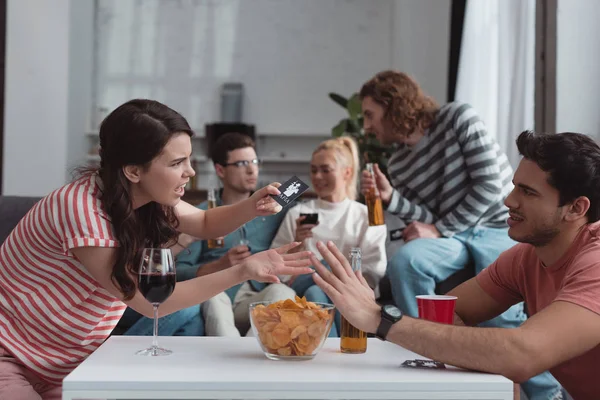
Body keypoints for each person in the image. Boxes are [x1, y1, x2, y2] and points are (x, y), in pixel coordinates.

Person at [0, 99, 312, 399]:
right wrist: (242, 270)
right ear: (133, 171)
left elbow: (204, 222)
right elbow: (149, 302)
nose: (190, 172)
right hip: (11, 355)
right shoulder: (80, 210)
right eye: (177, 163)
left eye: (188, 159)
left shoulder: (147, 198)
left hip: (71, 364)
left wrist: (251, 206)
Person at [314, 131, 600, 400]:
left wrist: (380, 319)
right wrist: (493, 358)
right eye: (514, 187)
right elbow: (444, 314)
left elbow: (522, 353)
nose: (508, 200)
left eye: (528, 192)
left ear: (576, 208)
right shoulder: (526, 257)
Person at [359, 71, 560, 399]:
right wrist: (390, 198)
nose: (367, 126)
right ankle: (429, 355)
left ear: (391, 104)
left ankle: (547, 394)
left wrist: (439, 229)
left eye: (370, 114)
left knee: (502, 317)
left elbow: (490, 185)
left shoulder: (458, 118)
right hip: (454, 237)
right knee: (407, 261)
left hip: (498, 226)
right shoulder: (398, 163)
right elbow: (429, 219)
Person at [178, 132, 296, 336]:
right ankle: (229, 362)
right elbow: (180, 271)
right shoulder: (203, 214)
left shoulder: (276, 208)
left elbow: (304, 190)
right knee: (213, 295)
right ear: (220, 170)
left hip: (258, 294)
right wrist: (219, 266)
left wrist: (301, 230)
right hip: (220, 293)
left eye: (255, 161)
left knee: (284, 294)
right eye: (242, 164)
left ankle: (252, 358)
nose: (252, 170)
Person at [271, 137, 387, 336]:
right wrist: (298, 244)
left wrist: (335, 277)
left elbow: (374, 269)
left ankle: (328, 353)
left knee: (316, 292)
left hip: (347, 292)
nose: (317, 176)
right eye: (313, 169)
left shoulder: (363, 215)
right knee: (319, 273)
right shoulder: (298, 212)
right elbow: (277, 268)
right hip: (301, 287)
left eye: (325, 170)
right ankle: (349, 346)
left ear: (347, 172)